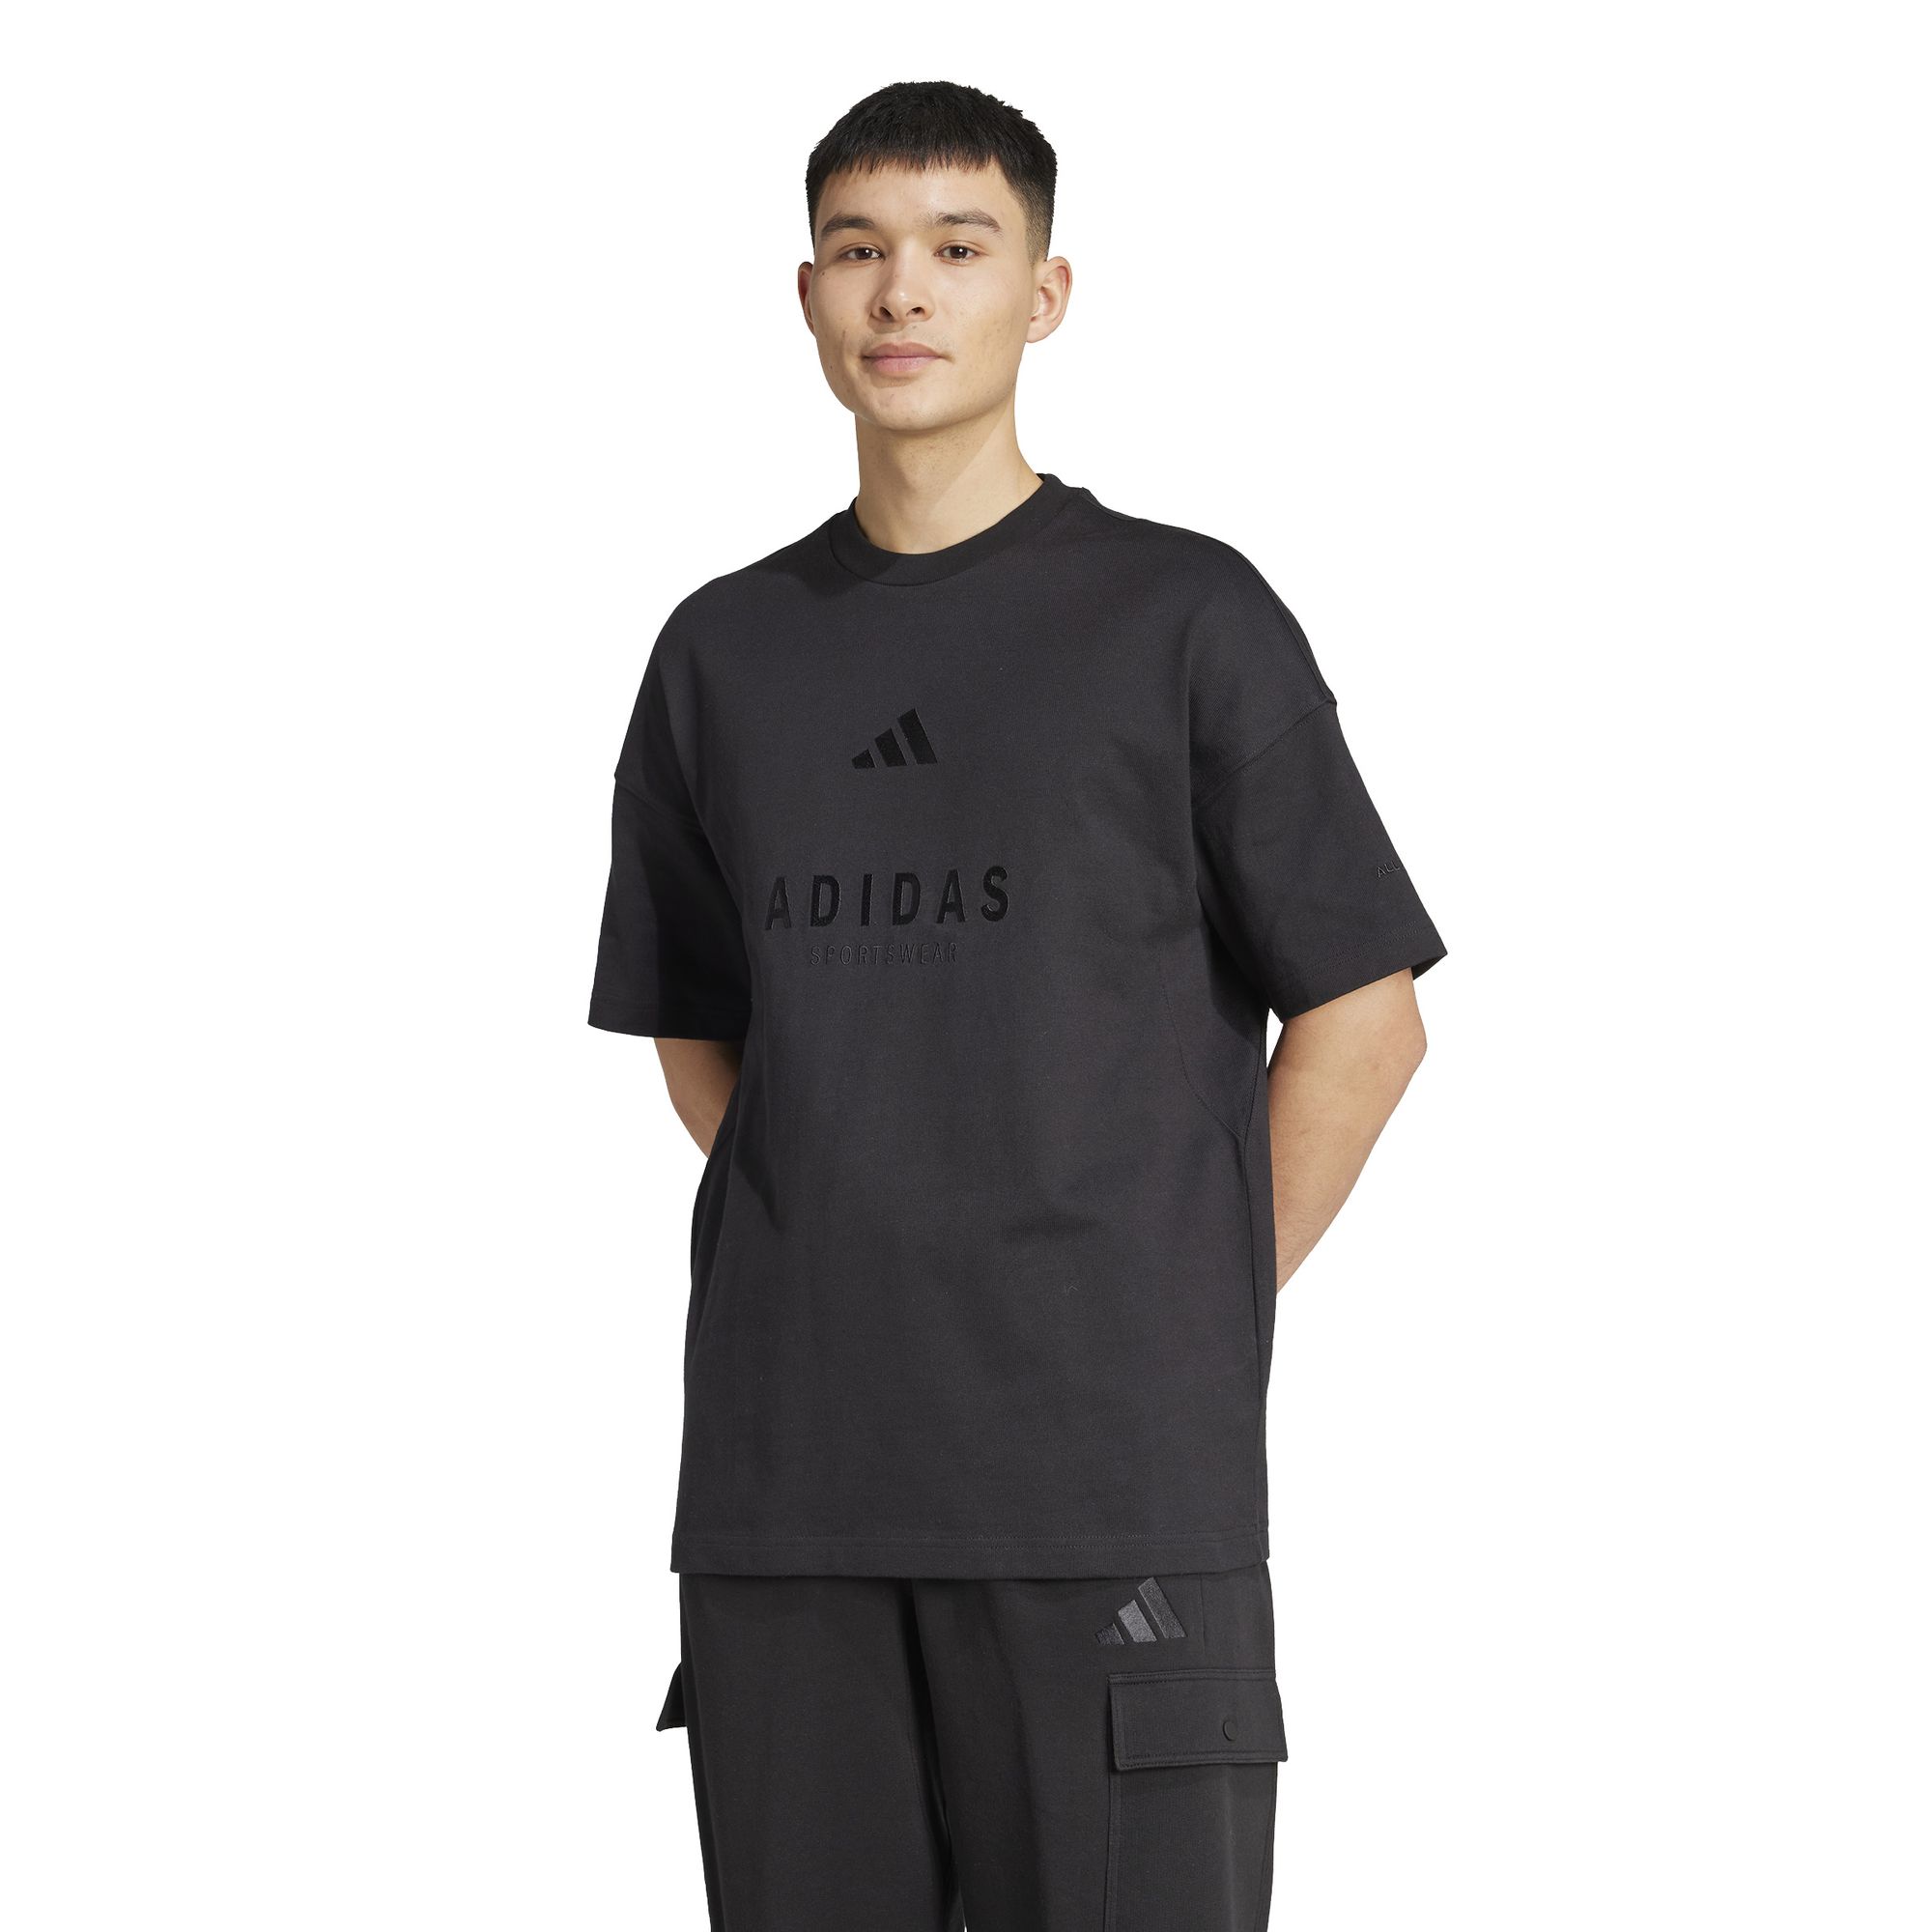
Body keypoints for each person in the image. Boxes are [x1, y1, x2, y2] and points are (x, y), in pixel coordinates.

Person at [588, 77, 1445, 1932]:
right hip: (788, 1500)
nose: (904, 290)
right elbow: (700, 1026)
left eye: (958, 248)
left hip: (1107, 1498)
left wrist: (1171, 1300)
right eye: (859, 250)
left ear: (1043, 294)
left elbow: (1366, 1018)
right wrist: (856, 1236)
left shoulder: (1185, 620)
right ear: (808, 294)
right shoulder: (721, 653)